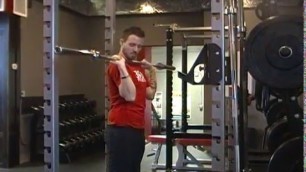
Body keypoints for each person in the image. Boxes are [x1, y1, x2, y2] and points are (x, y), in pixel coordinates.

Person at [105, 26, 157, 172]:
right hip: (121, 129)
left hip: (137, 129)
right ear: (122, 42)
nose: (136, 49)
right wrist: (122, 67)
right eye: (132, 44)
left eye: (139, 46)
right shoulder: (116, 65)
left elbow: (150, 93)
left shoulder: (137, 67)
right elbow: (129, 95)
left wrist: (152, 71)